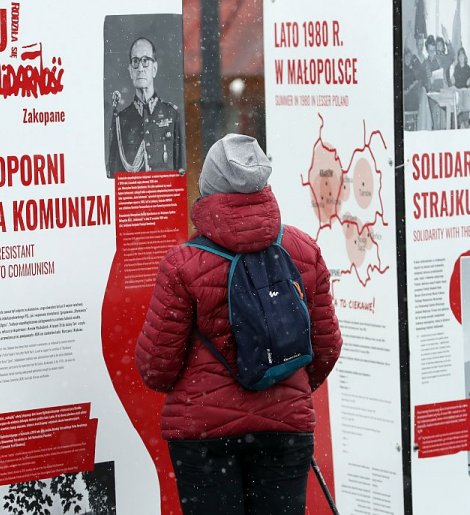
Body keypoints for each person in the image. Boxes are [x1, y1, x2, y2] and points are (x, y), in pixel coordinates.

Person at [136, 134, 343, 515]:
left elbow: (156, 369)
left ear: (208, 188)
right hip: (286, 433)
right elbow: (326, 347)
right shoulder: (303, 251)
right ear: (263, 186)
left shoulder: (182, 264)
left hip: (203, 440)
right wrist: (282, 384)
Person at [106, 36, 184, 178]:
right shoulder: (121, 120)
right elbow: (113, 174)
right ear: (130, 71)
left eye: (145, 61)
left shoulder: (171, 115)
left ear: (154, 68)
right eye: (135, 61)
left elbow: (180, 169)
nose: (140, 68)